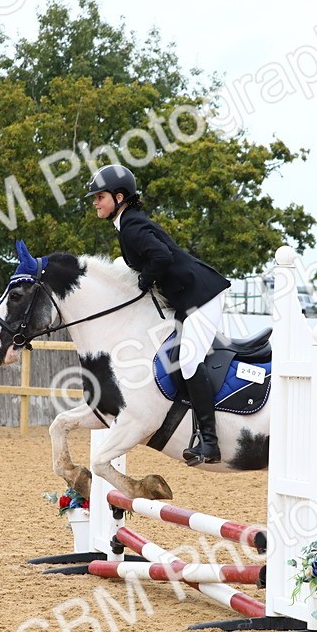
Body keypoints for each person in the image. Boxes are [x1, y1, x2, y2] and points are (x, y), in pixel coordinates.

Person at [85, 164, 231, 466]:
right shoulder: (128, 224)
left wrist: (144, 279)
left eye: (100, 197)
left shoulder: (132, 227)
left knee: (189, 359)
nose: (95, 202)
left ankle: (210, 442)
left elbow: (161, 257)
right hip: (186, 298)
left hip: (202, 296)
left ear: (119, 196)